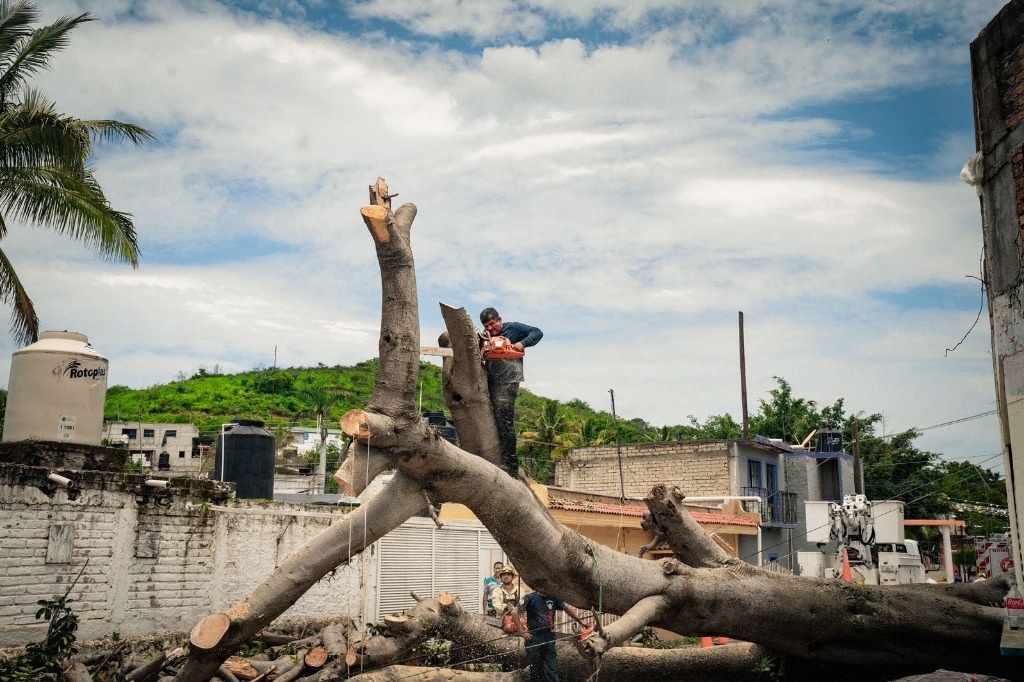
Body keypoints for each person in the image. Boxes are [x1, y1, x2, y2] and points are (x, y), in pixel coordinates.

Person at [479, 307, 543, 477]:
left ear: (499, 319)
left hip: (509, 381)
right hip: (491, 381)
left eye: (492, 324)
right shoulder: (485, 336)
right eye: (487, 326)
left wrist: (522, 343)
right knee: (491, 418)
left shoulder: (513, 328)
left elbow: (537, 332)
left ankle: (511, 465)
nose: (491, 329)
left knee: (505, 423)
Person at [511, 588, 586, 682]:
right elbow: (514, 612)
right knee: (536, 669)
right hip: (534, 637)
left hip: (548, 637)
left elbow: (567, 608)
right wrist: (521, 632)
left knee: (552, 668)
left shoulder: (553, 598)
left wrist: (580, 621)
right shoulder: (529, 598)